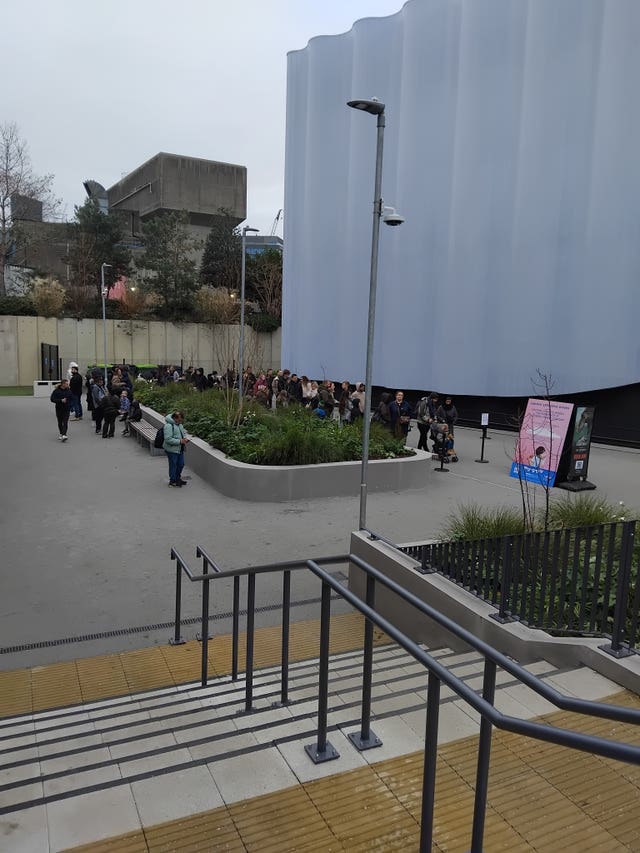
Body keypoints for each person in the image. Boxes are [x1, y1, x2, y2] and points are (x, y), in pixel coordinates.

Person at [163, 410, 189, 487]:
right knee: (173, 465)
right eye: (180, 420)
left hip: (179, 448)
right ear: (175, 418)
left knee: (181, 464)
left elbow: (183, 433)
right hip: (171, 449)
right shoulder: (168, 426)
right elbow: (168, 439)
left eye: (181, 420)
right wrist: (180, 441)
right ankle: (173, 480)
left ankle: (177, 478)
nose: (181, 421)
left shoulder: (179, 425)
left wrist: (185, 439)